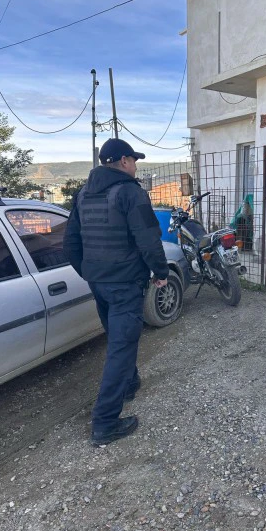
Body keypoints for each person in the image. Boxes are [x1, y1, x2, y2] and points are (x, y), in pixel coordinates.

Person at [63, 138, 169, 445]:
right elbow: (149, 239)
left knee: (119, 338)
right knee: (121, 348)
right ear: (124, 161)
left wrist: (90, 272)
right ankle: (105, 423)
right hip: (125, 284)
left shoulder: (83, 193)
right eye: (134, 160)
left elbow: (70, 243)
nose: (135, 166)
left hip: (99, 282)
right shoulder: (130, 192)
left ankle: (129, 384)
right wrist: (161, 272)